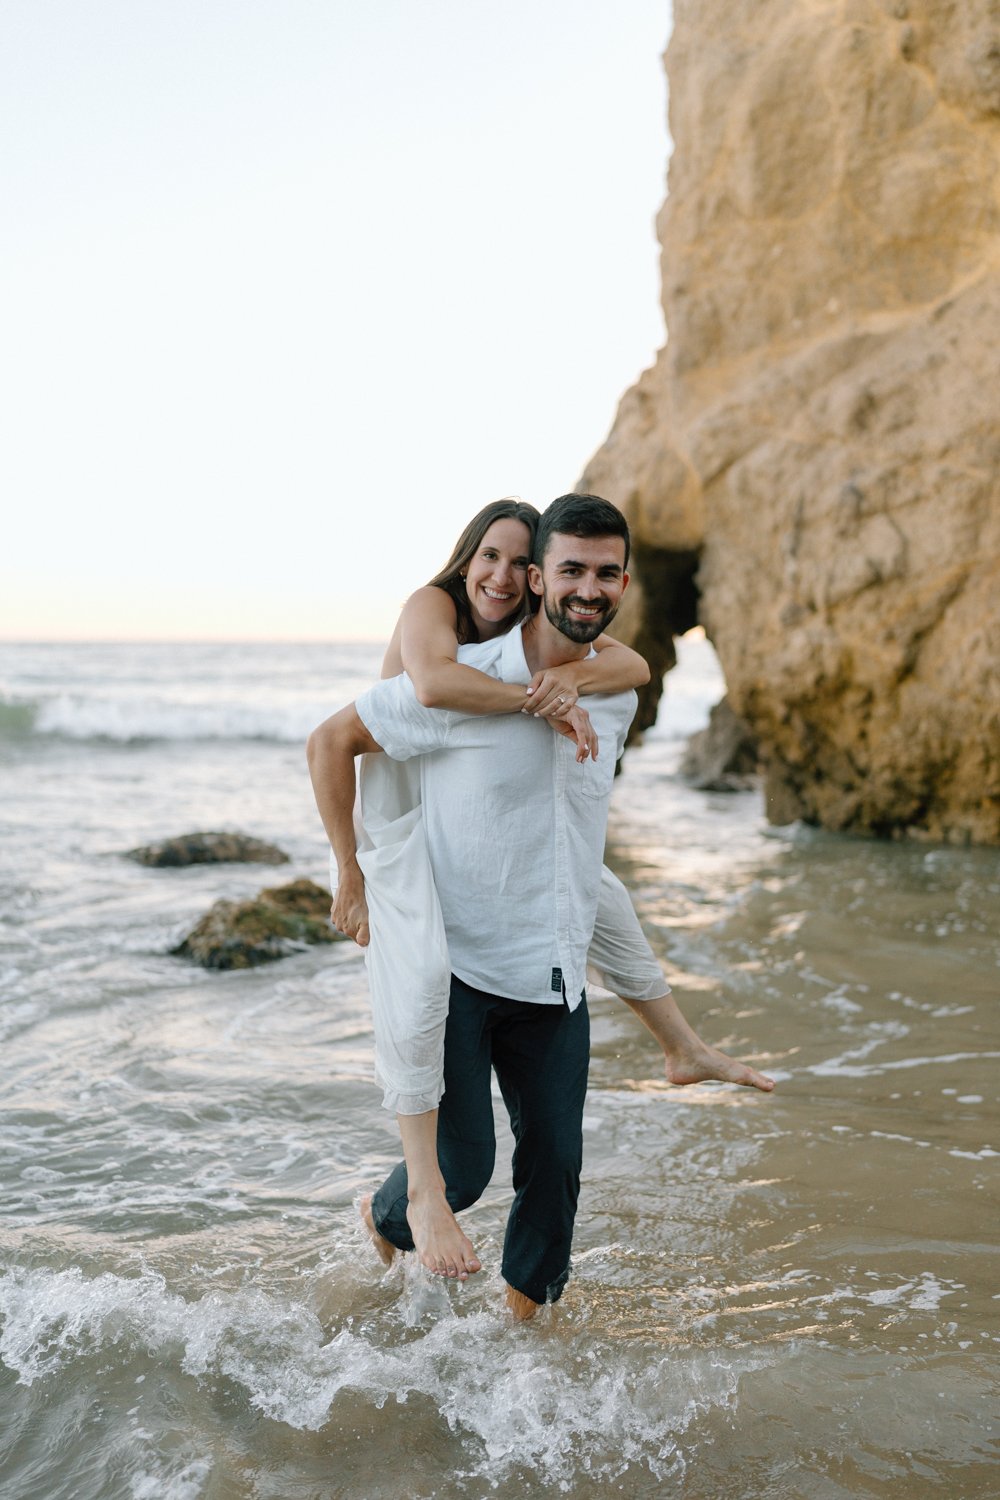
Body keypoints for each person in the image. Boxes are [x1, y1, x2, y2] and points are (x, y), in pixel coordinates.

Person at [307, 494, 773, 1320]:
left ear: (625, 581)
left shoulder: (618, 692)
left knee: (556, 1169)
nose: (588, 588)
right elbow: (331, 740)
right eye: (570, 570)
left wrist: (580, 682)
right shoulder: (462, 687)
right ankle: (385, 1233)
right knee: (464, 1168)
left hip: (552, 973)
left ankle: (523, 1347)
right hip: (460, 966)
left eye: (604, 573)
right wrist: (350, 872)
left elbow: (585, 863)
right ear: (536, 578)